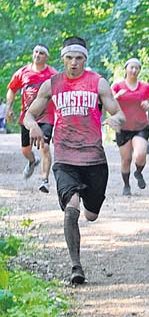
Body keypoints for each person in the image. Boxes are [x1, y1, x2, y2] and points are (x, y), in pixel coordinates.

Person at [23, 37, 125, 284]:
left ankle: (91, 209)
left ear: (85, 60)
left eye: (79, 58)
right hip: (65, 158)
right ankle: (76, 267)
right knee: (71, 208)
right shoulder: (52, 84)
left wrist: (115, 121)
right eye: (69, 58)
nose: (74, 63)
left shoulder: (98, 83)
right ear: (63, 59)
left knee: (90, 214)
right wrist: (33, 126)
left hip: (94, 160)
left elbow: (119, 112)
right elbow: (29, 114)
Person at [6, 44, 57, 192]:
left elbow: (60, 92)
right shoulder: (23, 72)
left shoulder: (53, 74)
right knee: (25, 150)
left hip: (47, 116)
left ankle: (44, 180)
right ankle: (32, 161)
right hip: (27, 117)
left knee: (45, 146)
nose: (37, 55)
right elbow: (12, 89)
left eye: (41, 53)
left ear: (46, 57)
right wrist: (8, 107)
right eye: (35, 52)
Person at [111, 58, 149, 196]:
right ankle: (126, 185)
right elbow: (109, 103)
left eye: (137, 68)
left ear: (139, 70)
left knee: (140, 154)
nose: (134, 70)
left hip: (140, 126)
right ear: (126, 69)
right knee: (126, 160)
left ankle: (138, 172)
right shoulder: (118, 86)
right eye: (131, 67)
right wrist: (117, 96)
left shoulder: (145, 87)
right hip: (123, 127)